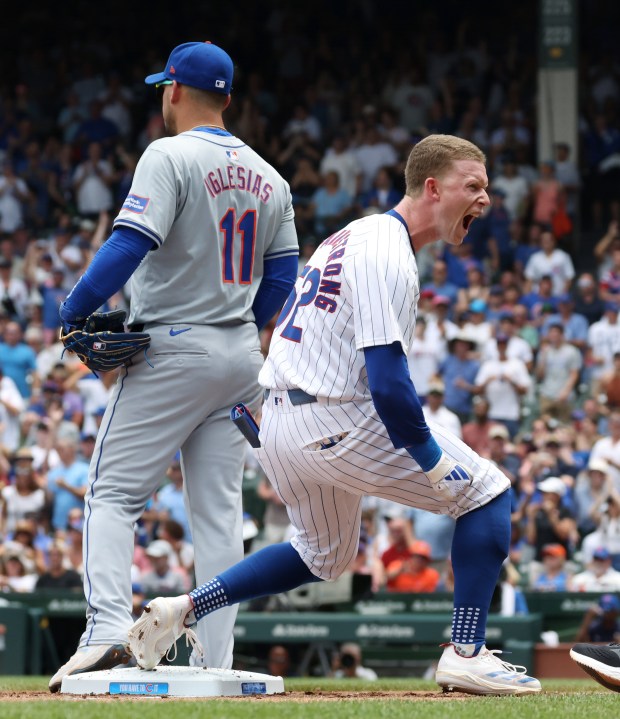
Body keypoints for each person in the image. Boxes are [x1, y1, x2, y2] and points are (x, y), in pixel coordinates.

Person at [126, 134, 541, 695]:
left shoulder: (355, 234)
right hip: (333, 420)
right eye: (474, 186)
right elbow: (390, 386)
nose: (485, 199)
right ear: (432, 187)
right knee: (487, 493)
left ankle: (187, 608)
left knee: (323, 554)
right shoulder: (389, 254)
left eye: (486, 188)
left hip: (282, 419)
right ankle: (466, 650)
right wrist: (430, 459)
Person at [48, 40, 299, 692]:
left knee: (113, 493)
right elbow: (282, 276)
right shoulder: (272, 177)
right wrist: (241, 321)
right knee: (217, 515)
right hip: (242, 353)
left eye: (165, 86)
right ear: (229, 98)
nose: (163, 96)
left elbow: (131, 240)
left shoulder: (169, 153)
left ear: (176, 90)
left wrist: (74, 308)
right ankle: (214, 662)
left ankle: (106, 630)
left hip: (175, 345)